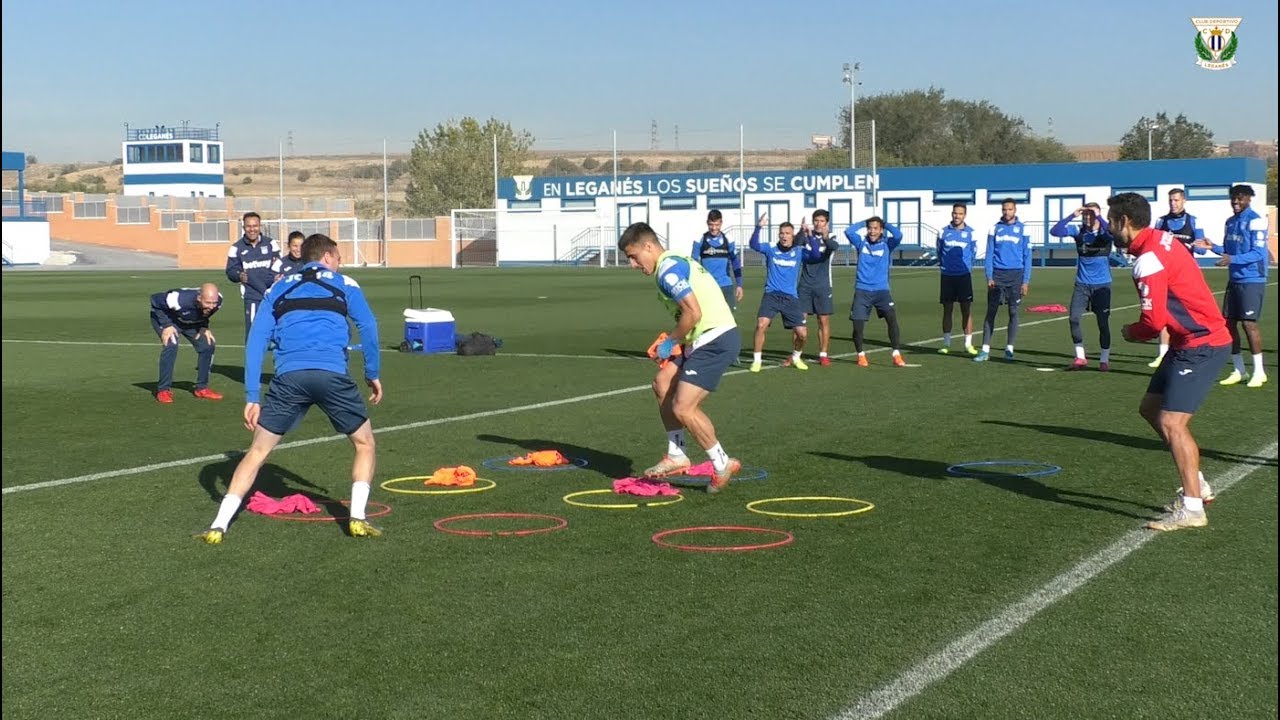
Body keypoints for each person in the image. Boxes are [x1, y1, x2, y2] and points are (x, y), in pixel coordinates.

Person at [198, 234, 383, 544]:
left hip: (288, 378)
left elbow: (256, 341)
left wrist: (252, 396)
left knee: (257, 452)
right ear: (327, 257)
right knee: (364, 444)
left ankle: (218, 525)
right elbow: (369, 326)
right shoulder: (345, 283)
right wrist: (372, 373)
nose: (340, 263)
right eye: (337, 258)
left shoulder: (278, 287)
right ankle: (358, 518)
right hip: (331, 375)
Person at [1108, 191, 1231, 531]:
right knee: (1151, 409)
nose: (1108, 227)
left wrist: (1131, 332)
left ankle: (1192, 508)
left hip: (1201, 343)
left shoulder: (1147, 259)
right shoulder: (1163, 238)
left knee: (1173, 423)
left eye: (1110, 221)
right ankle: (1199, 484)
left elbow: (1152, 323)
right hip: (1186, 342)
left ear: (1124, 222)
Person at [617, 221, 743, 493]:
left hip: (716, 338)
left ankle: (722, 463)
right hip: (699, 339)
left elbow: (693, 313)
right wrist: (676, 342)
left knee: (683, 407)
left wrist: (671, 341)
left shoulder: (668, 270)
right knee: (662, 383)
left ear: (649, 247)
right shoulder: (672, 263)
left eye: (633, 257)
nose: (633, 265)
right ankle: (677, 454)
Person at [1195, 184, 1269, 388]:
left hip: (1253, 279)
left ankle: (1259, 371)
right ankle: (1239, 369)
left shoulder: (1256, 221)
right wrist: (1213, 247)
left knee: (1248, 324)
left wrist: (1231, 258)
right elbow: (1227, 250)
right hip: (1235, 278)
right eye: (1233, 198)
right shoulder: (1230, 222)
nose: (1235, 202)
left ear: (1249, 199)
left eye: (1240, 198)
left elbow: (1258, 253)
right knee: (1228, 324)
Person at [747, 213, 823, 372]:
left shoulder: (799, 251)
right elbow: (753, 245)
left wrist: (809, 235)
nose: (784, 236)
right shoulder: (771, 249)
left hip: (790, 298)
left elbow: (816, 255)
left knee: (802, 333)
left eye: (787, 233)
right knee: (761, 324)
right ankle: (757, 360)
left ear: (793, 235)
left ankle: (796, 357)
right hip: (771, 295)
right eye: (781, 233)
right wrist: (759, 226)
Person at [1050, 202, 1114, 371]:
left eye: (1091, 214)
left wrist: (1098, 215)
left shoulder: (1104, 232)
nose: (1088, 218)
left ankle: (1104, 359)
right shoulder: (1079, 231)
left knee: (1102, 323)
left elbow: (1112, 233)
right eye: (1086, 214)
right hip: (1082, 284)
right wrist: (1072, 215)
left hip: (1102, 286)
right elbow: (1055, 231)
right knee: (1074, 318)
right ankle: (1080, 357)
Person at [1148, 188, 1207, 367]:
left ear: (1184, 201)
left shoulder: (1193, 221)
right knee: (1164, 313)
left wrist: (1197, 246)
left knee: (1190, 314)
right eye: (1171, 201)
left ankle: (1194, 349)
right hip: (1165, 275)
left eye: (1176, 200)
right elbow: (1153, 244)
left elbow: (1202, 248)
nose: (1173, 204)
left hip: (1186, 277)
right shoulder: (1161, 222)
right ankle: (1163, 354)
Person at [975, 199, 1032, 362]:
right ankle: (985, 350)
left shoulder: (1023, 229)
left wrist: (1026, 281)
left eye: (1010, 209)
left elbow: (1027, 256)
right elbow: (989, 254)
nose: (1007, 212)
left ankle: (1009, 349)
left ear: (1015, 210)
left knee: (1013, 312)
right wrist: (989, 276)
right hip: (998, 276)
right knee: (991, 312)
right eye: (1004, 209)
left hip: (1016, 275)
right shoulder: (995, 228)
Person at [845, 216, 906, 367]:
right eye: (870, 228)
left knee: (891, 319)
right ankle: (860, 355)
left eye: (876, 228)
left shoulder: (887, 244)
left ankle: (896, 354)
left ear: (881, 230)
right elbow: (849, 231)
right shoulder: (861, 243)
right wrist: (863, 222)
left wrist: (886, 224)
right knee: (858, 325)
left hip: (882, 291)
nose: (872, 231)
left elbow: (898, 235)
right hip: (862, 290)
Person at [149, 283, 223, 403]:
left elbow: (206, 312)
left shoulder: (218, 301)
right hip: (169, 319)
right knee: (171, 344)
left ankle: (202, 388)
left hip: (190, 322)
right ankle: (163, 390)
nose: (212, 306)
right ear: (199, 298)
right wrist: (167, 325)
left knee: (208, 345)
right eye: (208, 303)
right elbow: (155, 300)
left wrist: (204, 326)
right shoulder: (177, 299)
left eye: (214, 303)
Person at [225, 211, 281, 340]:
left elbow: (278, 266)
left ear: (259, 226)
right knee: (253, 334)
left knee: (278, 332)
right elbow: (230, 271)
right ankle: (252, 360)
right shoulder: (236, 248)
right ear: (244, 227)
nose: (252, 230)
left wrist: (276, 276)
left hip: (273, 295)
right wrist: (238, 275)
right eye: (249, 226)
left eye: (255, 226)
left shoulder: (271, 244)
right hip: (252, 297)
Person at [796, 210, 841, 366]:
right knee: (799, 321)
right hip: (805, 285)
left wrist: (826, 237)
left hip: (823, 285)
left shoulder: (831, 236)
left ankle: (823, 354)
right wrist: (802, 231)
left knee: (823, 320)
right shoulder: (807, 237)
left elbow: (833, 246)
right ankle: (796, 354)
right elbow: (795, 243)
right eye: (816, 220)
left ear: (826, 223)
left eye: (822, 221)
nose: (818, 223)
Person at [936, 203, 979, 355]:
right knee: (947, 309)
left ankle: (968, 344)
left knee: (966, 310)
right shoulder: (942, 232)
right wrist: (945, 267)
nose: (957, 216)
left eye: (960, 214)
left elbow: (973, 254)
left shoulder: (971, 233)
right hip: (947, 275)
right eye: (955, 213)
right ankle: (946, 343)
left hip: (963, 276)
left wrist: (965, 267)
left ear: (964, 215)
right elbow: (939, 252)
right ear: (951, 214)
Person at [691, 209, 744, 310]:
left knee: (729, 319)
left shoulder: (729, 239)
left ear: (721, 223)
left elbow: (735, 263)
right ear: (707, 223)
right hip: (707, 286)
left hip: (725, 285)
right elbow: (693, 264)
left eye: (717, 225)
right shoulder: (699, 239)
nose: (714, 228)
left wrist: (739, 285)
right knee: (707, 318)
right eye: (711, 225)